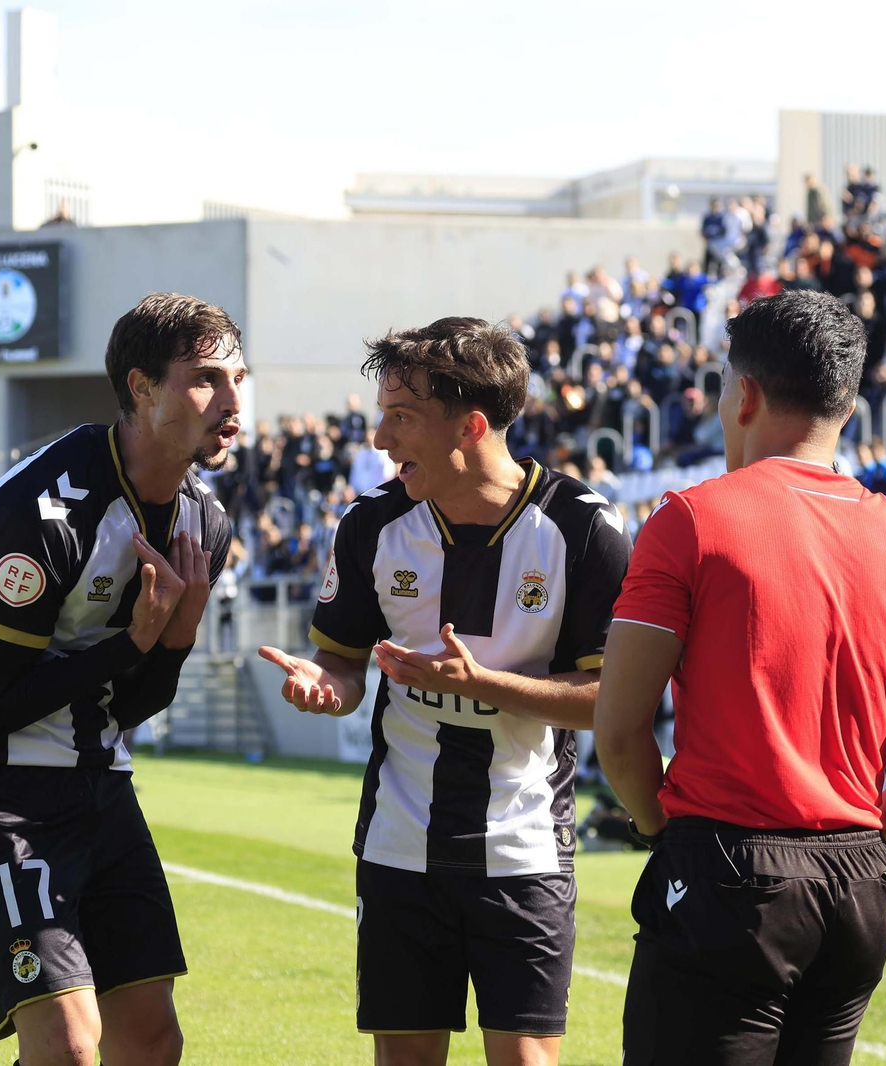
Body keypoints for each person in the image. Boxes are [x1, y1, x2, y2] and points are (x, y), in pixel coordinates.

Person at [594, 290, 886, 1065]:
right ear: (847, 404)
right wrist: (862, 830)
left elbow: (618, 730)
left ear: (744, 395)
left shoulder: (690, 520)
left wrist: (659, 828)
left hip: (727, 866)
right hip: (857, 885)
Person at [256, 317, 630, 1066]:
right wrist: (325, 685)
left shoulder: (583, 529)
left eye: (401, 416)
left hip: (524, 845)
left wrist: (483, 684)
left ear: (472, 426)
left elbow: (610, 700)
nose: (379, 439)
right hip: (399, 843)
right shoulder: (371, 524)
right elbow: (343, 666)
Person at [0, 293, 238, 1064]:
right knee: (66, 1045)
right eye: (206, 379)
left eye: (238, 378)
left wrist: (174, 642)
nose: (231, 401)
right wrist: (134, 642)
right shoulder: (45, 511)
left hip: (97, 777)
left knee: (152, 1039)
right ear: (141, 389)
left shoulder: (205, 523)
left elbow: (134, 706)